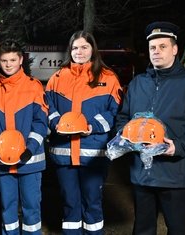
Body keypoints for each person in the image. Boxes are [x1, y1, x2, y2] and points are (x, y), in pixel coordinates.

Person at [115, 21, 185, 235]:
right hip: (142, 173)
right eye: (152, 48)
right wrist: (123, 135)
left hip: (175, 173)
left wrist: (178, 146)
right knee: (143, 229)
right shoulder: (138, 83)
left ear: (175, 49)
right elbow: (123, 118)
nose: (156, 51)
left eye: (162, 46)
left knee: (176, 228)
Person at [45, 30, 122, 234]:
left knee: (93, 203)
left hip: (93, 154)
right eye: (75, 47)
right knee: (70, 204)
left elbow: (114, 111)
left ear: (92, 49)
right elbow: (47, 107)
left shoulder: (108, 77)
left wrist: (92, 126)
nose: (79, 52)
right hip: (64, 153)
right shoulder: (57, 77)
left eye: (84, 47)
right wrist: (58, 124)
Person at [0, 39, 48, 235]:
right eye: (4, 60)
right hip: (2, 161)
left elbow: (40, 123)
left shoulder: (34, 87)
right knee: (7, 210)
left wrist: (29, 149)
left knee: (31, 211)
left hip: (30, 162)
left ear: (20, 60)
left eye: (12, 59)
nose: (8, 64)